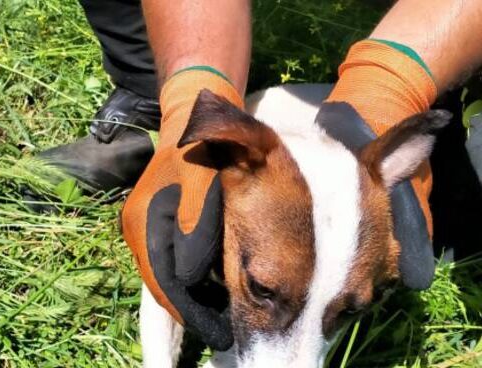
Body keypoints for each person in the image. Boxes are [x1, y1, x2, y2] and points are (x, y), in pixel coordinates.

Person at [39, 0, 482, 350]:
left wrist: (392, 81)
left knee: (460, 224)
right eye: (263, 290)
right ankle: (146, 95)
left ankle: (457, 91)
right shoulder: (247, 169)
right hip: (247, 118)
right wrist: (191, 90)